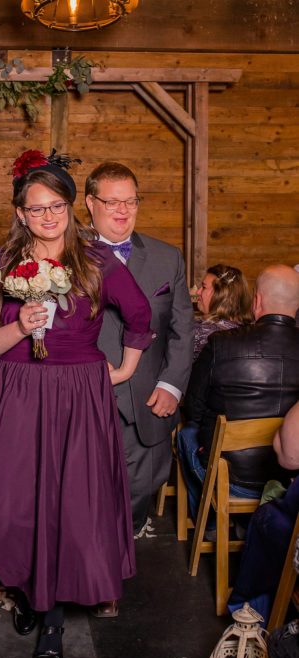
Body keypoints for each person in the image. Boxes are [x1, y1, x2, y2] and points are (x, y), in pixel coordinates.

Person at [0, 150, 153, 658]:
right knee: (14, 501)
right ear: (20, 212)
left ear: (71, 207)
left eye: (57, 206)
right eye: (37, 209)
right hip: (15, 391)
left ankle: (53, 619)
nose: (48, 217)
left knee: (67, 506)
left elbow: (139, 314)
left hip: (77, 395)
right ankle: (27, 591)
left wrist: (125, 370)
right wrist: (20, 326)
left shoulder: (96, 260)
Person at [84, 162, 193, 615]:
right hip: (87, 395)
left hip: (149, 398)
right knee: (88, 492)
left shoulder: (168, 258)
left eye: (131, 200)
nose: (123, 210)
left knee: (139, 489)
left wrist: (171, 384)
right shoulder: (64, 257)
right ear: (90, 204)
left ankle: (116, 549)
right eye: (113, 201)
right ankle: (99, 578)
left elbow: (183, 329)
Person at [179, 264, 299, 535]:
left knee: (187, 434)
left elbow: (194, 409)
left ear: (257, 301)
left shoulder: (221, 343)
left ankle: (209, 521)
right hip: (288, 479)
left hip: (231, 479)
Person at [229, 400, 299, 623]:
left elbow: (289, 455)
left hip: (238, 476)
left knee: (269, 517)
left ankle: (249, 614)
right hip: (263, 474)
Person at [193, 264, 252, 360]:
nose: (198, 292)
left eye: (204, 287)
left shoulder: (202, 333)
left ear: (220, 295)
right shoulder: (250, 329)